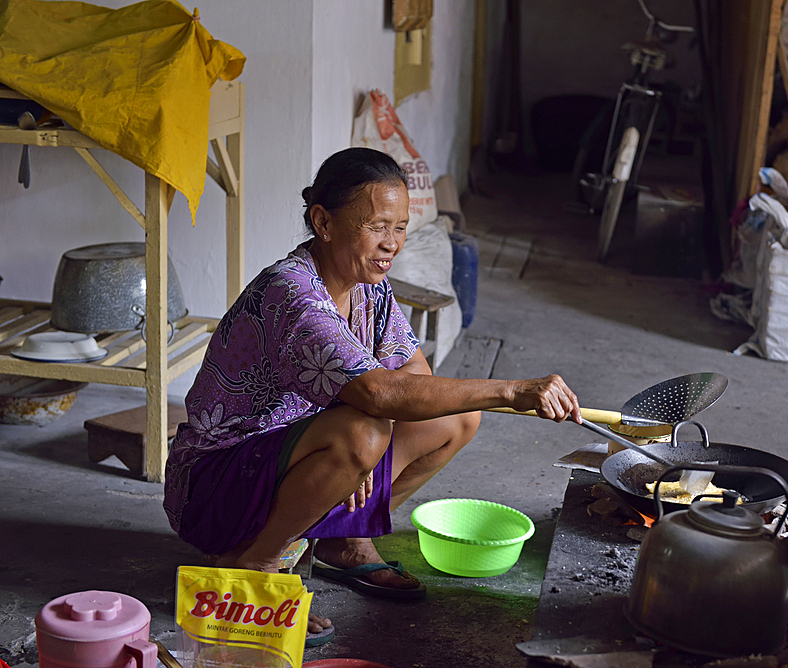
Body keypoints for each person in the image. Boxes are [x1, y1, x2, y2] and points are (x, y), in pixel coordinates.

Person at [163, 147, 582, 638]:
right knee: (363, 429)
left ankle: (345, 538)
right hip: (215, 488)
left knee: (454, 420)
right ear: (323, 221)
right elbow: (378, 395)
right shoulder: (292, 293)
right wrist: (510, 391)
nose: (392, 244)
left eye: (400, 227)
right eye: (378, 226)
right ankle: (256, 564)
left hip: (290, 459)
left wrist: (371, 451)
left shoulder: (368, 285)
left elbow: (415, 380)